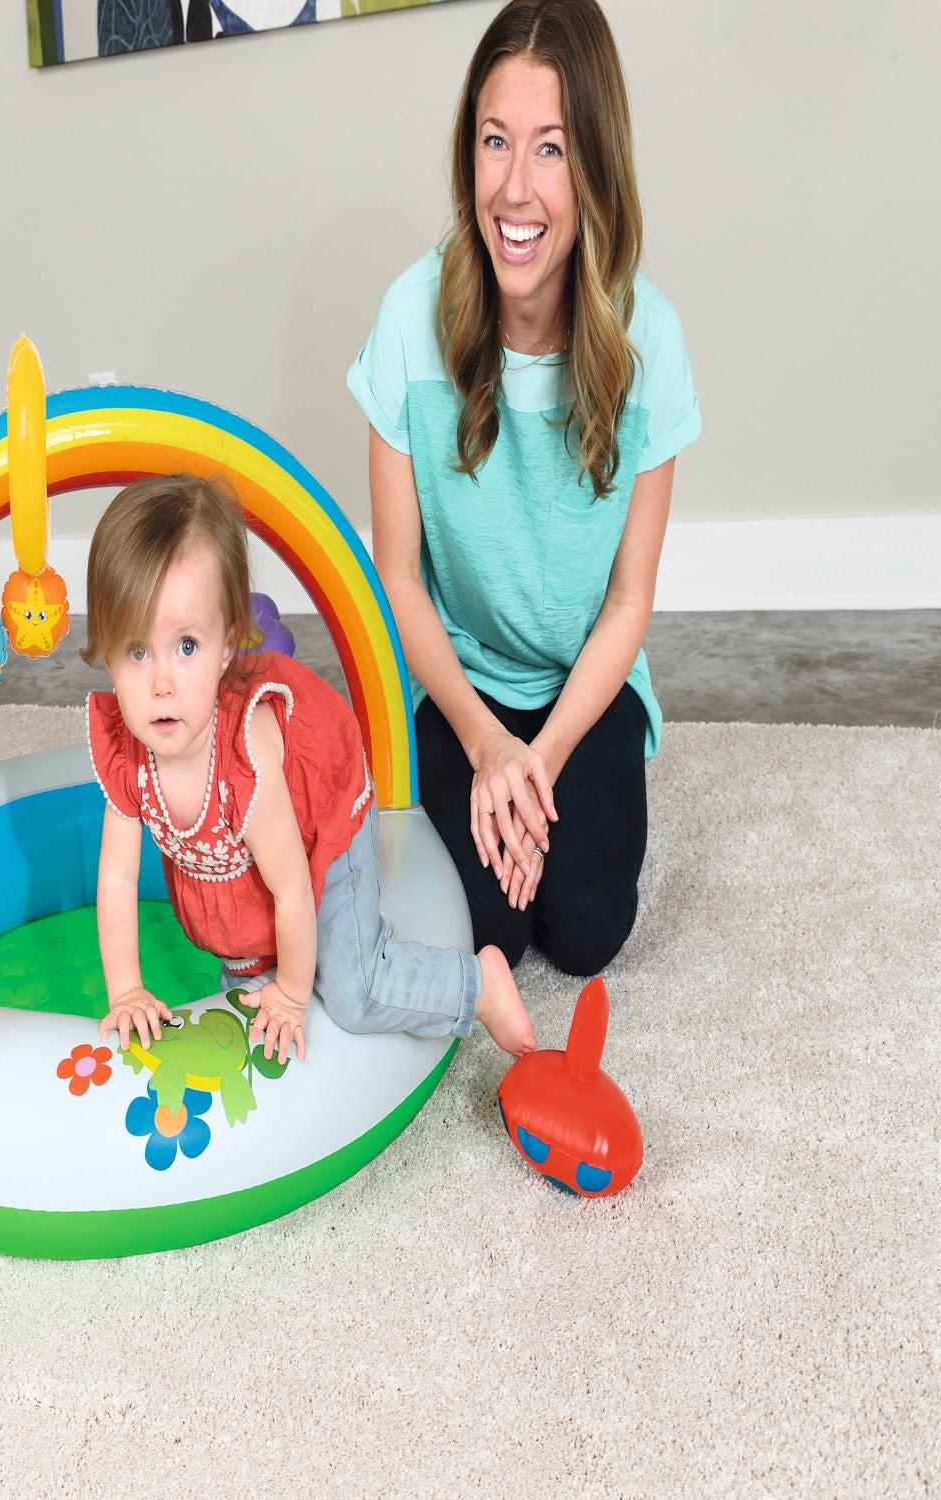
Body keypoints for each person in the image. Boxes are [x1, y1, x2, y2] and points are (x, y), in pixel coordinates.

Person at [347, 0, 701, 975]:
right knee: (483, 933)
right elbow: (398, 576)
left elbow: (627, 601)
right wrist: (482, 740)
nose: (514, 187)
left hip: (584, 684)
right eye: (495, 141)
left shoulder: (650, 342)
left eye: (550, 149)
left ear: (595, 165)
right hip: (458, 681)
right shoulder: (410, 321)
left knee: (584, 931)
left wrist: (537, 762)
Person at [81, 473, 536, 1065]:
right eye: (137, 651)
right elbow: (117, 879)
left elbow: (292, 889)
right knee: (247, 999)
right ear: (107, 653)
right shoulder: (128, 755)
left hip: (321, 825)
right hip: (251, 871)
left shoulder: (245, 757)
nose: (161, 684)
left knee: (352, 992)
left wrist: (293, 998)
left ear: (226, 646)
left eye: (186, 646)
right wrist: (127, 992)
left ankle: (477, 985)